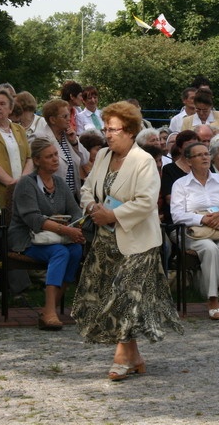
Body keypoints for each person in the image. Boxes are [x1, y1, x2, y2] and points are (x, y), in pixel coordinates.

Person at [72, 101, 182, 381]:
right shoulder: (103, 156)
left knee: (126, 298)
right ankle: (134, 356)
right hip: (105, 242)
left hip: (138, 242)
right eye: (106, 128)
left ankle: (121, 357)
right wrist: (91, 208)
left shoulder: (143, 161)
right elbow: (86, 189)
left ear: (131, 131)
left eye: (114, 129)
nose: (108, 134)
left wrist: (113, 214)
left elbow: (146, 202)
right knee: (107, 298)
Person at [9, 138, 85, 330]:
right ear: (37, 160)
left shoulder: (59, 182)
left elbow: (75, 210)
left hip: (56, 238)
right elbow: (33, 219)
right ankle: (50, 312)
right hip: (27, 238)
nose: (55, 159)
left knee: (75, 250)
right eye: (49, 156)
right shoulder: (26, 183)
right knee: (60, 252)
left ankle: (47, 308)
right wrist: (65, 228)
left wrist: (77, 227)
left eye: (56, 155)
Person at [171, 141, 219, 319]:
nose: (205, 157)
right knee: (210, 249)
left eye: (206, 154)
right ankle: (212, 299)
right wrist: (202, 218)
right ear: (189, 161)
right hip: (194, 232)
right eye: (199, 155)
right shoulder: (181, 184)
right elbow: (177, 214)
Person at [35, 99, 85, 202]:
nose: (69, 120)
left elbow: (85, 160)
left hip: (72, 197)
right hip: (50, 198)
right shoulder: (39, 137)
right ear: (53, 120)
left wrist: (74, 142)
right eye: (65, 116)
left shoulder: (68, 136)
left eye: (69, 116)